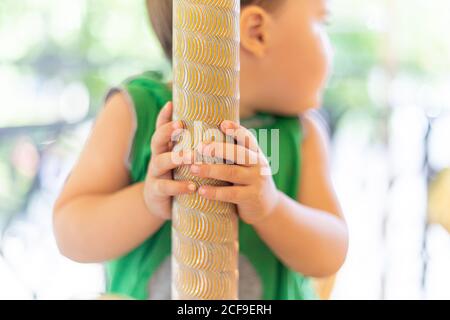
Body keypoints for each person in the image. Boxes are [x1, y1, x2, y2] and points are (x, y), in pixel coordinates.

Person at [54, 0, 348, 300]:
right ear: (256, 32)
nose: (331, 48)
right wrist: (146, 202)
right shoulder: (136, 112)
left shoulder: (301, 134)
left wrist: (271, 208)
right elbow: (69, 232)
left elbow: (330, 253)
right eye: (321, 24)